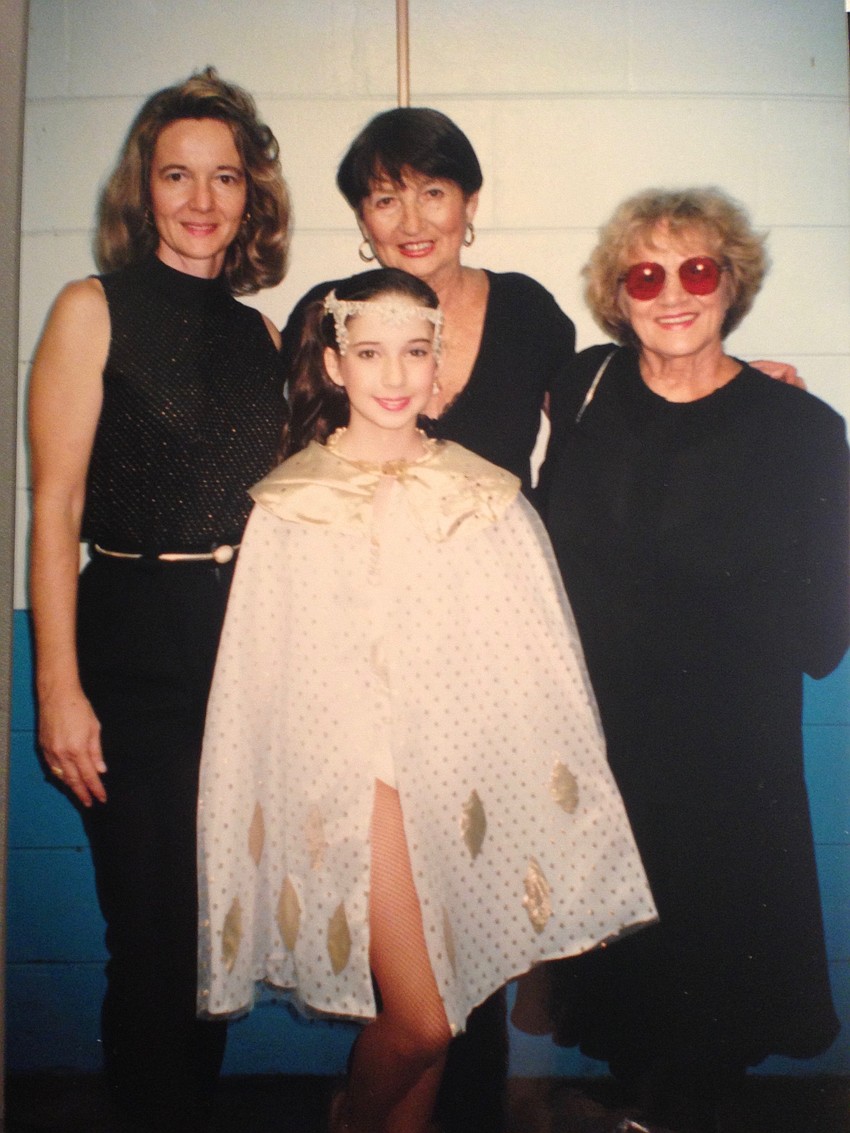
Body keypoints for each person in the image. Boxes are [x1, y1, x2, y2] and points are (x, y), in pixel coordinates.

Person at [196, 268, 657, 1133]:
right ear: (335, 365)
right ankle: (347, 1116)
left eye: (415, 350)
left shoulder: (478, 495)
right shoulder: (295, 503)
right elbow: (262, 678)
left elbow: (530, 654)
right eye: (370, 352)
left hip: (454, 769)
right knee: (423, 1018)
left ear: (440, 362)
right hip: (353, 775)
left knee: (441, 1025)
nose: (395, 374)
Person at [537, 187, 850, 1133]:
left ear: (731, 282)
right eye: (646, 274)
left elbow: (825, 634)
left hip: (727, 765)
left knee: (714, 996)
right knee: (628, 988)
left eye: (698, 269)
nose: (673, 292)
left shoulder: (802, 431)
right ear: (618, 294)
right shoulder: (581, 394)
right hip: (605, 753)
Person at [28, 67, 291, 1132]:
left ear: (249, 194)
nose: (200, 197)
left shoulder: (262, 335)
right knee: (147, 927)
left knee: (212, 925)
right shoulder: (91, 308)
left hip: (241, 635)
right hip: (128, 634)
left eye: (223, 176)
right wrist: (59, 689)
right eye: (177, 173)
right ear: (144, 188)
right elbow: (52, 509)